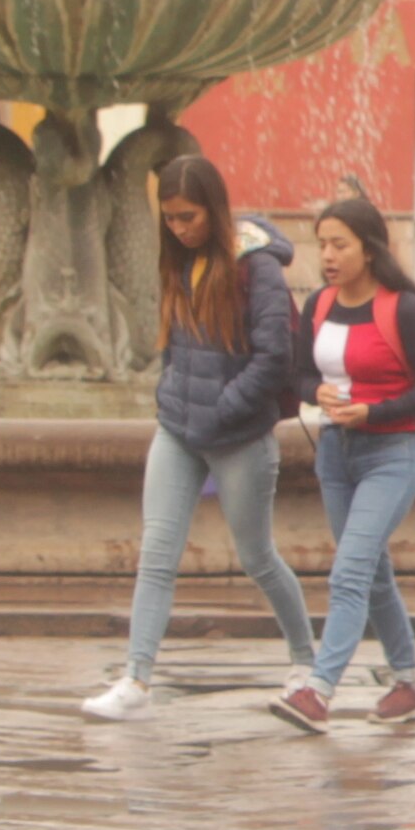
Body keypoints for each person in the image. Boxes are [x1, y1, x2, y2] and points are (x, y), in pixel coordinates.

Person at [84, 145, 311, 721]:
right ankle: (136, 680)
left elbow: (274, 357)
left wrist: (222, 409)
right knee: (157, 554)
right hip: (178, 432)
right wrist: (171, 397)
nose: (179, 228)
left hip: (239, 437)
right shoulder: (179, 261)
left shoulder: (255, 265)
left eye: (189, 216)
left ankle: (306, 663)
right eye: (170, 217)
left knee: (258, 557)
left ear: (213, 208)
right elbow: (176, 347)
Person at [280, 196, 415, 737]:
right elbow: (299, 375)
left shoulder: (404, 309)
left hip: (392, 453)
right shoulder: (320, 305)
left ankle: (318, 691)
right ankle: (409, 683)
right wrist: (319, 392)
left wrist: (374, 410)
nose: (327, 255)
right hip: (336, 453)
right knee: (372, 573)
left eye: (339, 244)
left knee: (349, 570)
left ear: (369, 249)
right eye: (322, 244)